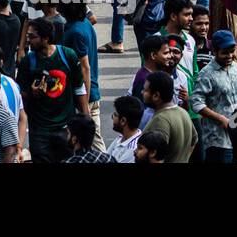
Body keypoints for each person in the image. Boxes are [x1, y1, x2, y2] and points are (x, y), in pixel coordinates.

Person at [16, 17, 89, 162]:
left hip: (65, 129)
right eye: (28, 36)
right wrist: (33, 93)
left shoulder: (68, 56)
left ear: (46, 38)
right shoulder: (27, 62)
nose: (29, 40)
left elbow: (79, 89)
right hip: (39, 132)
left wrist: (86, 121)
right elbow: (21, 96)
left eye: (33, 36)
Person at [107, 95, 145, 163]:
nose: (112, 117)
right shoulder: (121, 137)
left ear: (123, 121)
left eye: (115, 115)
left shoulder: (133, 149)